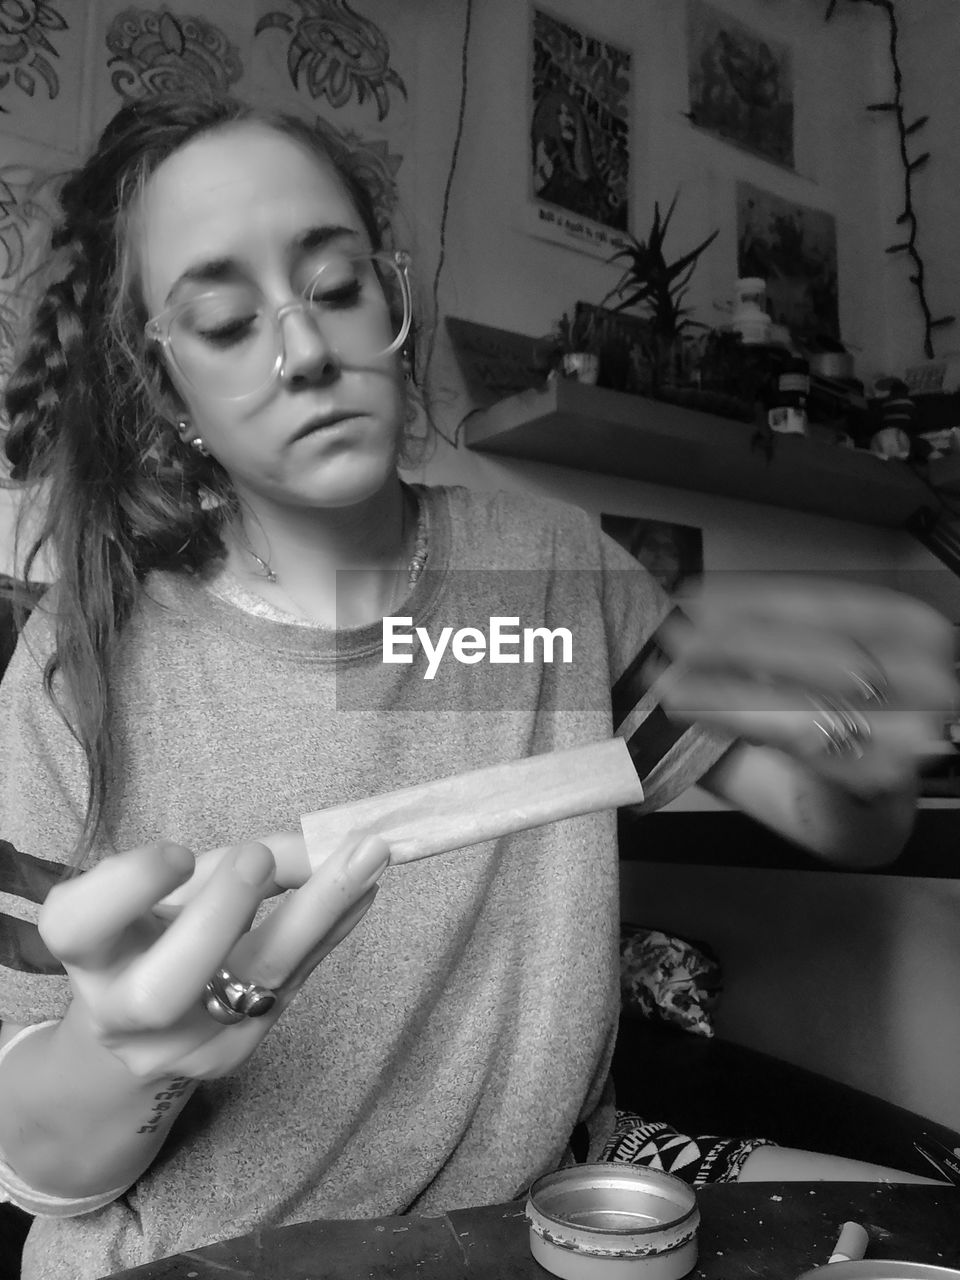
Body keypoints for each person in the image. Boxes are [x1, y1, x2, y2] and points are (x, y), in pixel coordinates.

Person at [0, 92, 953, 1280]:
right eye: (228, 321)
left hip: (556, 1195)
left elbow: (843, 821)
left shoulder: (544, 567)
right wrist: (127, 1058)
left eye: (337, 285)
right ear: (165, 389)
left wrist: (871, 718)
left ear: (389, 299)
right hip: (205, 1250)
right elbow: (34, 1169)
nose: (304, 352)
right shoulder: (80, 663)